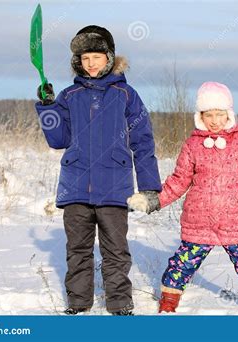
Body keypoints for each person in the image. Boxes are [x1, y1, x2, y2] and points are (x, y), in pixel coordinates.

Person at [127, 81, 238, 315]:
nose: (214, 120)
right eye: (209, 114)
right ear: (200, 116)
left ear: (229, 114)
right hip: (199, 223)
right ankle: (168, 302)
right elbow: (179, 181)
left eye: (220, 114)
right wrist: (153, 200)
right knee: (182, 264)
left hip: (236, 223)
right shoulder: (193, 145)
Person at [35, 25, 161, 315]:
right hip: (76, 185)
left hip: (114, 187)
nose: (90, 63)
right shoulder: (69, 95)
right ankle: (78, 305)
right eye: (85, 58)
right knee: (77, 250)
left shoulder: (126, 95)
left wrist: (149, 187)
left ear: (110, 57)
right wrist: (47, 107)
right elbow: (59, 139)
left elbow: (142, 142)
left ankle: (119, 305)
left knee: (115, 251)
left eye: (96, 56)